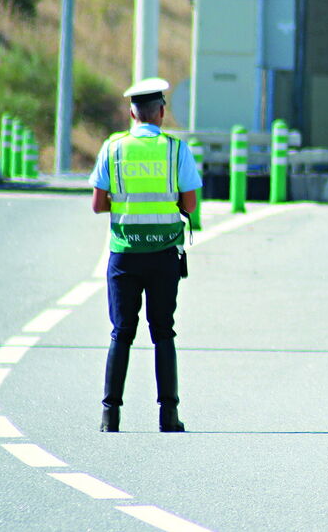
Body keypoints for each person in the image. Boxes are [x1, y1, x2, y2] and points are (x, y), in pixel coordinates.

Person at [89, 77, 202, 433]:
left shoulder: (113, 148)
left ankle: (110, 416)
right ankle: (168, 415)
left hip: (124, 253)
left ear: (132, 113)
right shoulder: (175, 150)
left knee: (121, 332)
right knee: (163, 331)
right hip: (164, 254)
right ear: (162, 113)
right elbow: (190, 204)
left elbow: (98, 204)